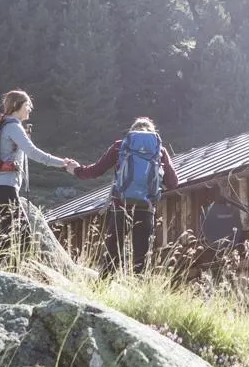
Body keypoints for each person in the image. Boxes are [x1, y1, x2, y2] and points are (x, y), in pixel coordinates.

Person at [70, 117, 180, 274]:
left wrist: (77, 170)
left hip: (120, 207)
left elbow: (96, 171)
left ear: (131, 132)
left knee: (112, 255)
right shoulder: (159, 150)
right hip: (146, 208)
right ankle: (138, 292)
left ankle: (104, 289)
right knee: (141, 259)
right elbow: (173, 183)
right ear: (152, 132)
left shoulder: (121, 146)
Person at [0, 89, 76, 259]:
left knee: (10, 232)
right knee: (23, 234)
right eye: (27, 105)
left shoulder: (4, 125)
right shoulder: (13, 126)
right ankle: (3, 269)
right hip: (5, 188)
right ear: (16, 106)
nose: (30, 109)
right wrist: (62, 163)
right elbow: (34, 153)